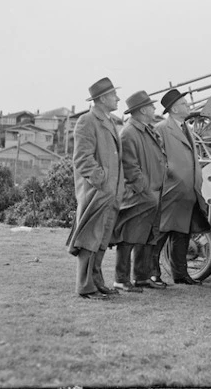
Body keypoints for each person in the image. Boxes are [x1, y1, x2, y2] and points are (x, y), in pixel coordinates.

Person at [66, 77, 124, 300]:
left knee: (101, 238)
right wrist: (100, 179)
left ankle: (97, 282)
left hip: (110, 192)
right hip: (97, 192)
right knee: (89, 238)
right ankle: (85, 286)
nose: (117, 98)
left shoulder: (108, 121)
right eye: (113, 95)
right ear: (102, 98)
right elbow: (82, 158)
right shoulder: (87, 121)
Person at [152, 88, 211, 285]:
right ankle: (152, 273)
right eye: (185, 104)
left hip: (188, 191)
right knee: (161, 233)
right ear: (175, 108)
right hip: (172, 191)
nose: (188, 106)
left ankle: (181, 274)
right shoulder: (162, 129)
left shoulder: (187, 129)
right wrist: (171, 177)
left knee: (182, 234)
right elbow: (157, 159)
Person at [111, 91, 168, 293]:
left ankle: (141, 277)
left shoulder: (145, 130)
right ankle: (121, 279)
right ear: (143, 110)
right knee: (129, 237)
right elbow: (130, 167)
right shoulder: (129, 133)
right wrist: (145, 189)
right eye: (151, 107)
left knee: (146, 236)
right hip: (139, 195)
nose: (154, 109)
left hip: (151, 194)